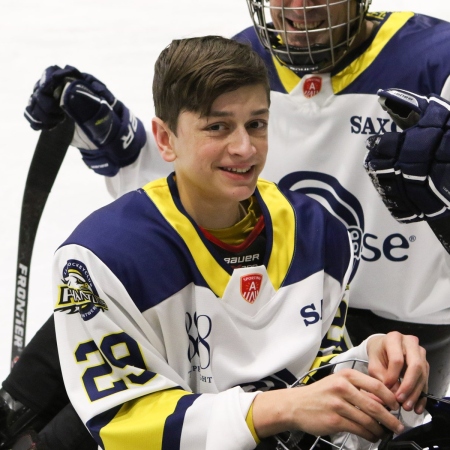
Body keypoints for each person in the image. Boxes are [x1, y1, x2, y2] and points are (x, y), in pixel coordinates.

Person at [2, 0, 449, 448]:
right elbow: (187, 190)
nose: (297, 8)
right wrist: (125, 150)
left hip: (360, 307)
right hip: (216, 293)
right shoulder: (247, 55)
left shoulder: (437, 60)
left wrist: (364, 359)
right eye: (220, 126)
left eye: (257, 124)